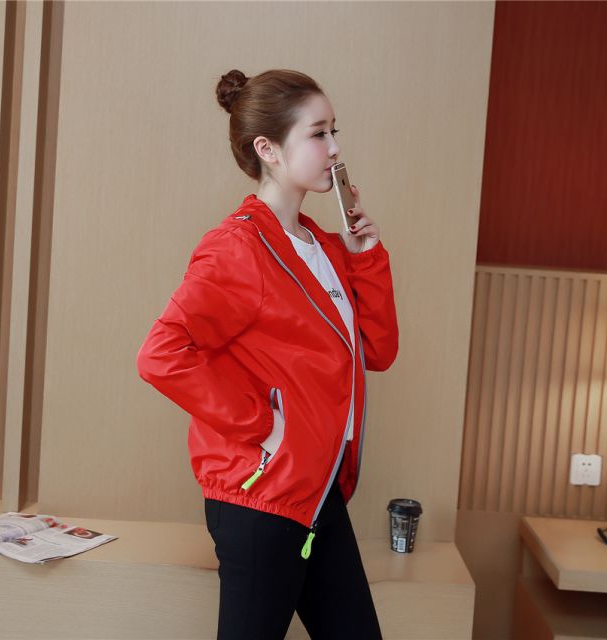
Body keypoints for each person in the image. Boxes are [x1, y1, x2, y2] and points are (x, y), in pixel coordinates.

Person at [136, 68, 398, 640]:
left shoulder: (325, 247)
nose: (335, 149)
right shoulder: (238, 248)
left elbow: (377, 352)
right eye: (318, 133)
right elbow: (161, 353)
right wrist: (262, 423)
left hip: (317, 493)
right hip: (262, 501)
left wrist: (366, 257)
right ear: (268, 149)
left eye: (334, 132)